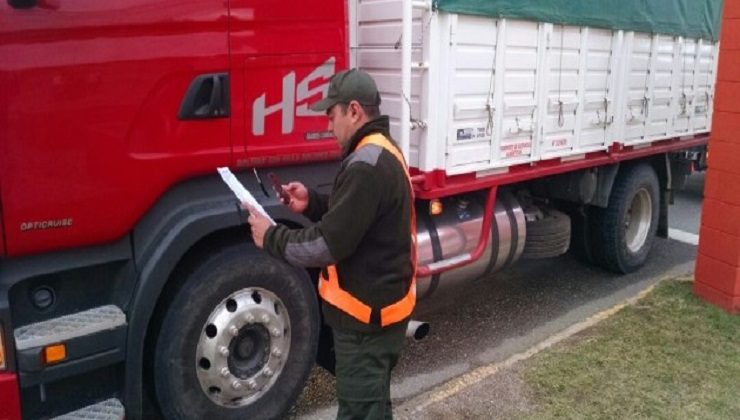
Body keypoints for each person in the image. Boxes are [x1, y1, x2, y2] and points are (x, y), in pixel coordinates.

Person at [245, 68, 416, 420]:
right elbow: (357, 219)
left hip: (366, 325)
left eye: (331, 114)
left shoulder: (365, 166)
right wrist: (313, 203)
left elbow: (325, 246)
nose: (328, 125)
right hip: (379, 317)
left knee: (359, 412)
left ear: (354, 110)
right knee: (374, 408)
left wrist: (271, 236)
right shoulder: (380, 151)